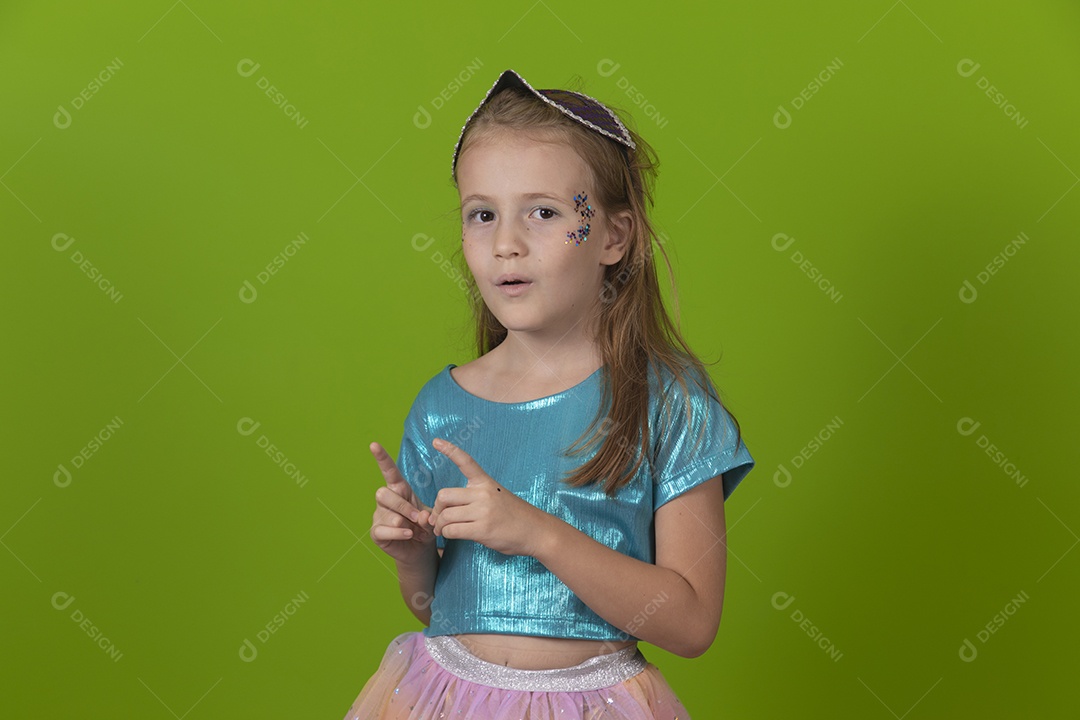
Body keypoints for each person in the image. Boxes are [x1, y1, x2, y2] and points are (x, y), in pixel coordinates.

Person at [343, 68, 755, 719]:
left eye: (544, 212)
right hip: (441, 698)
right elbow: (436, 610)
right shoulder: (441, 408)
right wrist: (414, 560)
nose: (506, 244)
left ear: (613, 237)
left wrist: (536, 531)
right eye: (483, 215)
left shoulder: (666, 403)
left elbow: (693, 624)